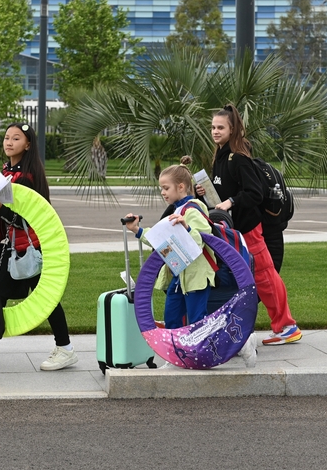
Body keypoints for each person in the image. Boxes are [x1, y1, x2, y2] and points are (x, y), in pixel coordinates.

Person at [0, 122, 77, 371]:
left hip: (29, 248)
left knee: (46, 299)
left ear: (27, 144)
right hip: (14, 247)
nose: (9, 142)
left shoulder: (27, 177)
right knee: (0, 292)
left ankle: (65, 349)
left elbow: (23, 219)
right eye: (7, 137)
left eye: (16, 138)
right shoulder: (10, 172)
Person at [126, 157, 256, 368]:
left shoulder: (193, 210)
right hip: (179, 276)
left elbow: (202, 239)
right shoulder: (176, 211)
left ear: (181, 186)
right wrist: (137, 230)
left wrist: (187, 227)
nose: (163, 192)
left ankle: (241, 344)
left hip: (196, 276)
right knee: (172, 319)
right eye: (161, 188)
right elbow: (161, 240)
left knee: (198, 323)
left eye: (166, 187)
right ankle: (175, 357)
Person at [196, 104, 301, 346]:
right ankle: (278, 325)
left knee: (264, 274)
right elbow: (225, 190)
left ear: (233, 130)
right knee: (253, 276)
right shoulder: (221, 157)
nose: (215, 131)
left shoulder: (239, 158)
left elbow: (256, 192)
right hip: (234, 229)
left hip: (249, 228)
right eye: (213, 127)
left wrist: (231, 202)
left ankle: (287, 326)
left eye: (220, 127)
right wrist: (206, 191)